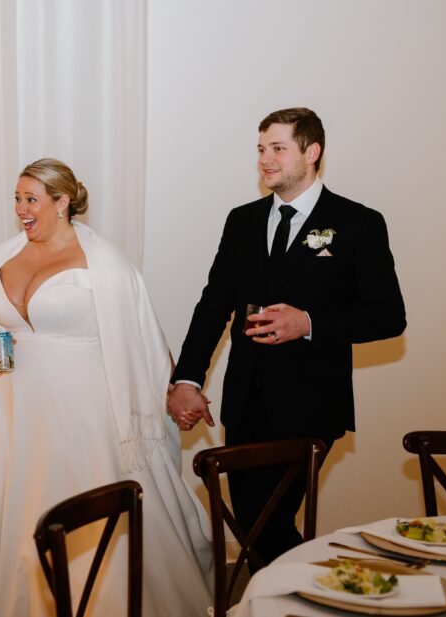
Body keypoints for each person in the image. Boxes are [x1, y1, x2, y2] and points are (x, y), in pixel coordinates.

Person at [0, 159, 213, 617]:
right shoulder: (0, 256)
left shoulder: (107, 265)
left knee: (83, 522)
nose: (21, 209)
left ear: (62, 203)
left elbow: (143, 340)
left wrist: (179, 390)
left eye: (31, 199)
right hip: (10, 411)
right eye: (17, 198)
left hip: (82, 417)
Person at [166, 107, 406, 564]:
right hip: (243, 406)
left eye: (278, 148)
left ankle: (334, 592)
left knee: (265, 527)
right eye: (261, 149)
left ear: (311, 152)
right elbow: (214, 304)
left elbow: (389, 316)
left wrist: (309, 323)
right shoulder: (243, 221)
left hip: (310, 408)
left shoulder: (358, 223)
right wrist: (188, 380)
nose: (265, 160)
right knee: (259, 531)